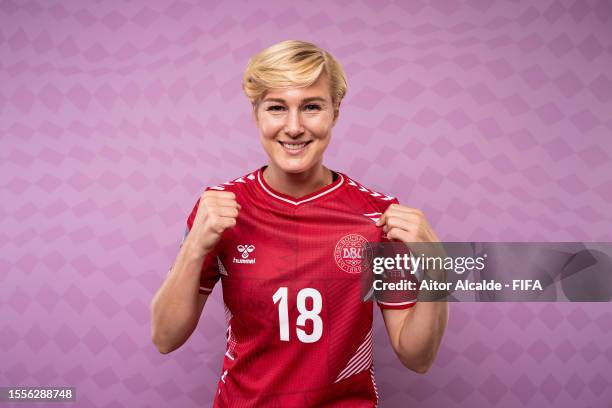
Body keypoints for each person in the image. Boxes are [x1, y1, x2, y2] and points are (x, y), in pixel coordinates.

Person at [150, 40, 448, 407]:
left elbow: (416, 357)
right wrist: (195, 246)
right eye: (277, 107)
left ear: (335, 112)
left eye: (311, 107)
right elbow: (165, 337)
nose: (294, 127)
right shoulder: (219, 208)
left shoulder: (378, 216)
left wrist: (437, 267)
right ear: (256, 114)